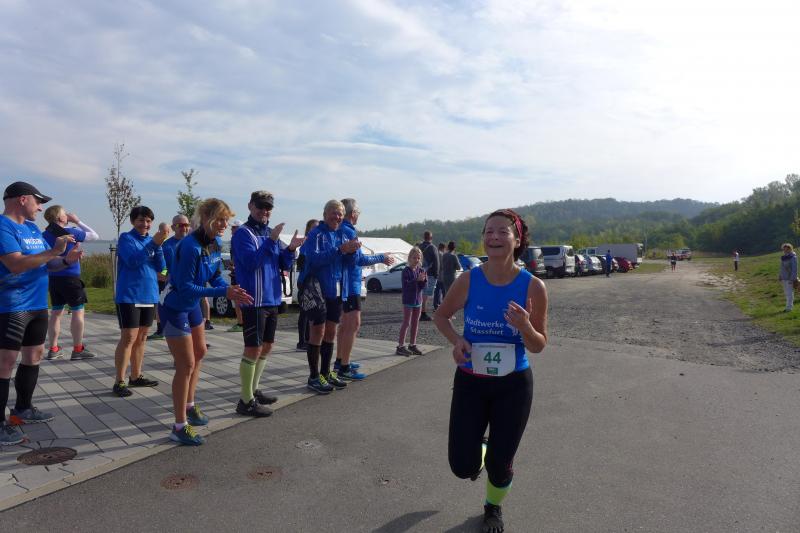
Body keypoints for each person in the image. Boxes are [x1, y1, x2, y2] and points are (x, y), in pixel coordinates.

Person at [433, 208, 547, 533]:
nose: (494, 237)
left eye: (502, 231)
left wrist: (525, 326)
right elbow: (440, 316)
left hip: (514, 386)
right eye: (488, 231)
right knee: (462, 466)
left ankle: (493, 507)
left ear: (517, 239)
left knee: (500, 464)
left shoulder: (533, 286)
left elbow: (538, 344)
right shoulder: (469, 279)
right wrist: (456, 340)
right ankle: (481, 448)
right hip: (471, 381)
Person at [160, 198, 253, 444]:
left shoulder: (216, 243)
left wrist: (231, 288)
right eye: (220, 219)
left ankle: (190, 405)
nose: (224, 224)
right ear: (205, 219)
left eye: (226, 220)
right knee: (185, 364)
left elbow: (214, 276)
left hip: (191, 306)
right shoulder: (190, 246)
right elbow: (185, 286)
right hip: (174, 306)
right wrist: (223, 292)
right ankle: (179, 426)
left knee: (200, 352)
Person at [1, 181, 82, 445]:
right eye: (38, 201)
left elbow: (45, 263)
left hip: (37, 304)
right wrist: (53, 251)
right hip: (11, 305)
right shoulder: (3, 226)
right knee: (5, 363)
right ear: (22, 199)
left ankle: (23, 408)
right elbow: (15, 264)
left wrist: (65, 260)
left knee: (34, 355)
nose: (40, 207)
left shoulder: (33, 228)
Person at [231, 191, 304, 417]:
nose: (264, 211)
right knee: (253, 348)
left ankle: (253, 390)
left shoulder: (270, 233)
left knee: (267, 346)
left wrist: (290, 249)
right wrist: (271, 240)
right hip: (254, 301)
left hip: (272, 298)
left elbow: (284, 263)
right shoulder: (243, 233)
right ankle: (245, 401)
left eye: (268, 208)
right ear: (250, 206)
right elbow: (251, 263)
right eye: (260, 206)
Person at [297, 200, 361, 394]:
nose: (337, 216)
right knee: (318, 332)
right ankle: (314, 376)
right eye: (333, 212)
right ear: (325, 214)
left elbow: (351, 261)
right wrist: (340, 250)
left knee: (331, 332)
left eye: (340, 213)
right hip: (317, 289)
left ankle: (326, 373)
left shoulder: (342, 234)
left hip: (336, 290)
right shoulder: (316, 233)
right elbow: (314, 259)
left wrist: (352, 251)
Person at [112, 206, 169, 397]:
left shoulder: (153, 241)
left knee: (142, 337)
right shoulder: (126, 239)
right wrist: (153, 244)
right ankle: (119, 381)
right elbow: (133, 261)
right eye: (141, 220)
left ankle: (136, 376)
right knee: (129, 337)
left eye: (148, 221)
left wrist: (159, 246)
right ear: (133, 221)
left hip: (149, 294)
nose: (145, 224)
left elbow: (162, 268)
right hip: (129, 295)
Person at [336, 198, 394, 380]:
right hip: (350, 284)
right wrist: (381, 257)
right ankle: (344, 366)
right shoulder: (348, 230)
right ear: (353, 213)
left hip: (344, 283)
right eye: (358, 213)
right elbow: (359, 259)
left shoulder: (340, 229)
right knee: (353, 325)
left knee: (344, 325)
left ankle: (340, 360)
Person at [42, 205, 99, 360]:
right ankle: (78, 349)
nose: (67, 215)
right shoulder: (70, 232)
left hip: (53, 278)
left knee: (56, 313)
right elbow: (94, 236)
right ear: (59, 218)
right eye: (64, 214)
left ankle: (53, 349)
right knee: (78, 312)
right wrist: (77, 221)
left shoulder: (44, 234)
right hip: (71, 278)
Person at [148, 215, 191, 340]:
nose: (183, 228)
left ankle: (196, 340)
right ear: (173, 227)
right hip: (172, 287)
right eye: (180, 225)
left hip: (190, 287)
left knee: (192, 315)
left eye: (186, 225)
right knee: (165, 306)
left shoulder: (194, 243)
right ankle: (161, 330)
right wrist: (163, 274)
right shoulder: (166, 246)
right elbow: (162, 266)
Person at [396, 246, 426, 356]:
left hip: (418, 300)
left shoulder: (421, 270)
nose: (416, 260)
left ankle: (412, 345)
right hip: (408, 300)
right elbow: (406, 286)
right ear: (409, 258)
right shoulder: (406, 271)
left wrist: (423, 280)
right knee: (406, 323)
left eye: (418, 258)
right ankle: (400, 346)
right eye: (414, 258)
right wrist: (416, 280)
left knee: (415, 323)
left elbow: (422, 287)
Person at [296, 219, 318, 351]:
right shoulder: (306, 243)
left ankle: (308, 339)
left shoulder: (317, 242)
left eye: (317, 227)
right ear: (308, 230)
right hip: (305, 281)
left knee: (311, 312)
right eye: (313, 227)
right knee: (304, 312)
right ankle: (302, 341)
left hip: (313, 281)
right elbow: (302, 261)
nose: (316, 230)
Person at [226, 219, 246, 333]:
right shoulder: (235, 240)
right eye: (232, 227)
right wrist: (232, 265)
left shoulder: (239, 240)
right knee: (238, 299)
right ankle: (242, 322)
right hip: (237, 273)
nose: (231, 229)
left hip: (239, 275)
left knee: (238, 299)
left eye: (234, 227)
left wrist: (235, 267)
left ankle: (241, 323)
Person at [418, 230, 439, 321]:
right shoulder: (433, 247)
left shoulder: (419, 247)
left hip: (419, 273)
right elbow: (436, 261)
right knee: (425, 295)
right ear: (431, 238)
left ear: (424, 237)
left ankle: (418, 312)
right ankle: (423, 313)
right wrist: (436, 274)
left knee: (420, 293)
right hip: (430, 274)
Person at [779, 243, 797, 312]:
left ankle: (789, 308)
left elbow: (794, 269)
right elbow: (782, 268)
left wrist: (792, 279)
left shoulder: (793, 257)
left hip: (789, 278)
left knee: (790, 293)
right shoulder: (783, 257)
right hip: (784, 278)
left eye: (786, 249)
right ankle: (787, 307)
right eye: (784, 249)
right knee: (786, 293)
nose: (785, 251)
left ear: (790, 249)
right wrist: (780, 275)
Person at [433, 242, 446, 310]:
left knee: (437, 291)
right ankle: (442, 305)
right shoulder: (441, 254)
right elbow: (442, 266)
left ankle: (436, 304)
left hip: (436, 275)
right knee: (443, 291)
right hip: (441, 276)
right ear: (443, 248)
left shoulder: (436, 253)